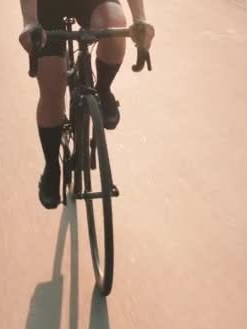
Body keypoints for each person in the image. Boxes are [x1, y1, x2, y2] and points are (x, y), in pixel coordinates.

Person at [18, 0, 155, 209]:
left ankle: (103, 89)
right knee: (52, 87)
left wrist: (140, 19)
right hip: (47, 6)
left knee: (115, 23)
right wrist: (30, 22)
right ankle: (52, 166)